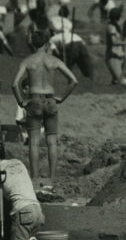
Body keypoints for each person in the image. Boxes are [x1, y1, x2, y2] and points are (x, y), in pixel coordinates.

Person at [13, 29, 78, 182]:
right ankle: (52, 179)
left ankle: (35, 178)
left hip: (34, 100)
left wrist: (21, 102)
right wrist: (62, 98)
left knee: (34, 142)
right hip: (50, 100)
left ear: (32, 43)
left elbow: (15, 84)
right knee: (51, 141)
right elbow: (74, 80)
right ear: (47, 43)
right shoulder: (54, 61)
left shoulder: (28, 61)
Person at [48, 7, 94, 80]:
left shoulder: (52, 39)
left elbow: (55, 52)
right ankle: (90, 79)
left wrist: (60, 59)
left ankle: (71, 79)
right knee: (85, 66)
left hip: (69, 43)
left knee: (67, 67)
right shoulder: (67, 23)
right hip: (79, 40)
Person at [104, 6, 126, 85]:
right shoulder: (111, 27)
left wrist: (125, 58)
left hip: (119, 55)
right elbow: (114, 42)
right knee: (120, 80)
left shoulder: (117, 27)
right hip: (113, 56)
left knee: (116, 80)